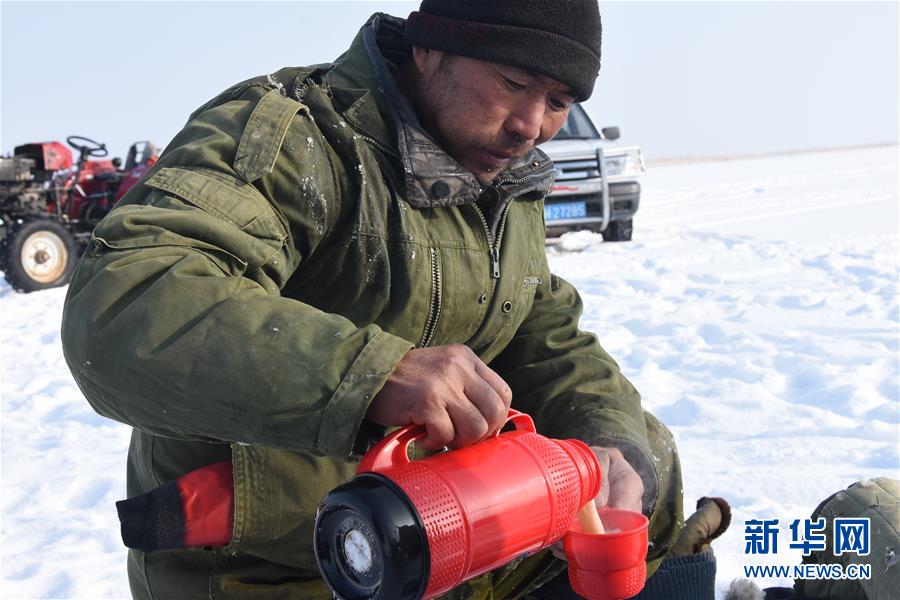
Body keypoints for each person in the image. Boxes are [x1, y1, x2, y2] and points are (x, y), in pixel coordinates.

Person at [61, 1, 689, 598]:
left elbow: (541, 327)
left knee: (641, 466)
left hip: (450, 533)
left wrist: (609, 443)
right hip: (283, 565)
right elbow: (124, 307)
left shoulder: (500, 175)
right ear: (431, 49)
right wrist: (369, 374)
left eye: (559, 101)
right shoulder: (299, 140)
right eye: (513, 81)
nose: (532, 126)